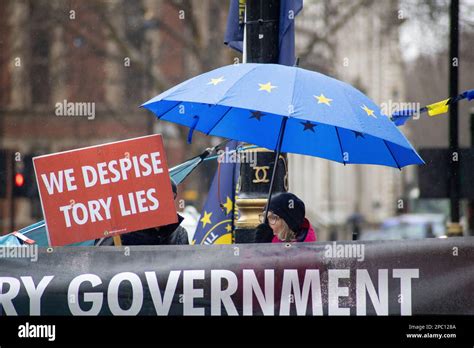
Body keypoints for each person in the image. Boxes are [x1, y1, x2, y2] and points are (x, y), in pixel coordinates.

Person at [95, 179, 189, 246]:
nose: (164, 202)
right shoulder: (122, 231)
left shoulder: (179, 234)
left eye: (170, 197)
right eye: (157, 196)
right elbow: (102, 261)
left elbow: (187, 266)